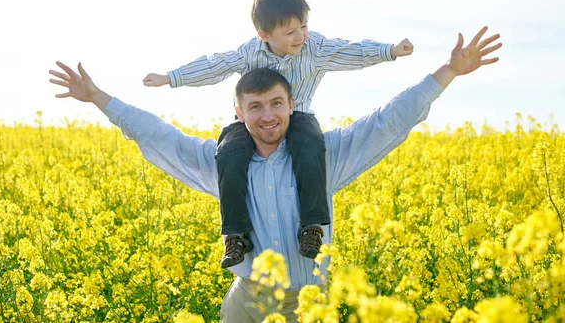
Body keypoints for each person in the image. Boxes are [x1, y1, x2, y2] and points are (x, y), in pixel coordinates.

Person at [49, 26, 501, 322]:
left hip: (310, 305)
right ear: (239, 112)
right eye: (256, 107)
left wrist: (448, 72)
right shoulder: (222, 162)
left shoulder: (322, 157)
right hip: (248, 301)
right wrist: (98, 98)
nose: (268, 116)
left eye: (276, 104)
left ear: (291, 105)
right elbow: (159, 135)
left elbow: (389, 120)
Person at [141, 0, 415, 268]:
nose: (301, 36)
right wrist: (170, 77)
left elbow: (350, 52)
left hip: (299, 117)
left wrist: (390, 51)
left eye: (304, 27)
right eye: (291, 32)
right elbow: (215, 66)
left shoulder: (315, 47)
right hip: (252, 122)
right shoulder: (250, 51)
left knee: (310, 148)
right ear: (264, 35)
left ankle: (312, 228)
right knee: (228, 154)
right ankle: (235, 235)